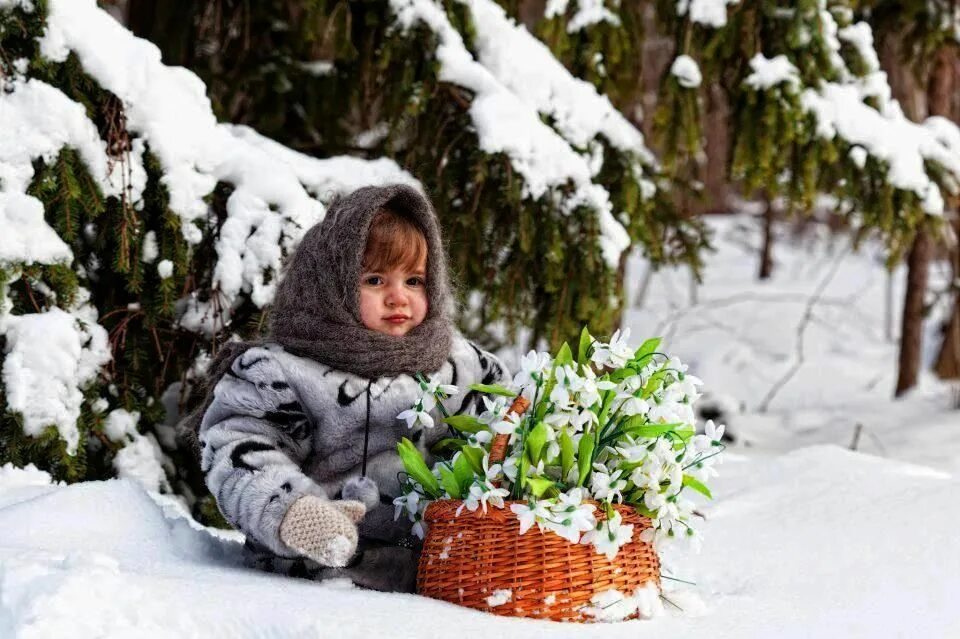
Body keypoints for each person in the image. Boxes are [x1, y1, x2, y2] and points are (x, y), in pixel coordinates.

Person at [190, 184, 508, 592]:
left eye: (414, 281)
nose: (398, 298)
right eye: (375, 280)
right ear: (330, 286)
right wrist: (294, 513)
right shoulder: (282, 372)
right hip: (312, 574)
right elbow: (238, 449)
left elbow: (504, 432)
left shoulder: (459, 368)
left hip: (430, 576)